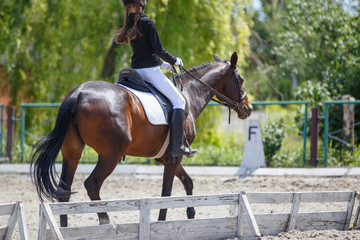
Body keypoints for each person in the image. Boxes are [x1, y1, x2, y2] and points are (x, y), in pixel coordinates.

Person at [113, 0, 197, 159]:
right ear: (141, 3)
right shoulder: (147, 22)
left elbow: (144, 51)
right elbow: (158, 49)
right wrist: (175, 61)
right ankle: (177, 145)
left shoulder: (129, 23)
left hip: (136, 70)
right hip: (151, 72)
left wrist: (163, 64)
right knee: (179, 101)